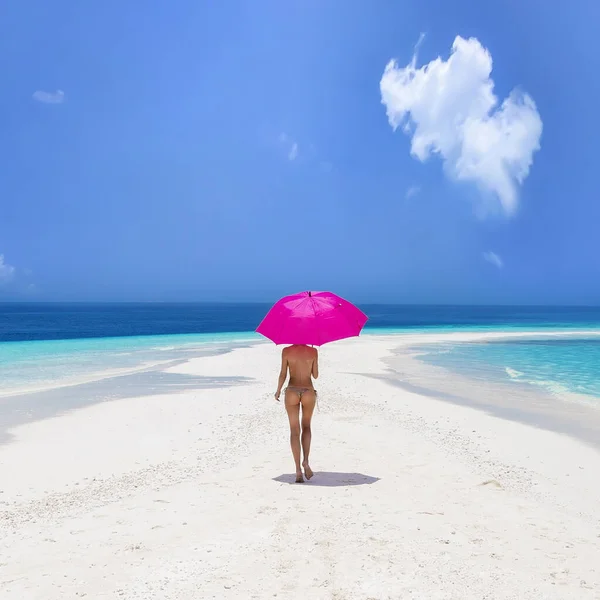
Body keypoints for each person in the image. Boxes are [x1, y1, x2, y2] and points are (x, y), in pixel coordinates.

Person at [274, 344, 319, 483]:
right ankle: (305, 461)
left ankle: (298, 471)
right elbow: (315, 375)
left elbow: (283, 373)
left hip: (292, 391)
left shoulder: (286, 351)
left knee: (294, 430)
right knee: (306, 426)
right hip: (308, 391)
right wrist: (313, 359)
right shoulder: (313, 351)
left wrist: (277, 390)